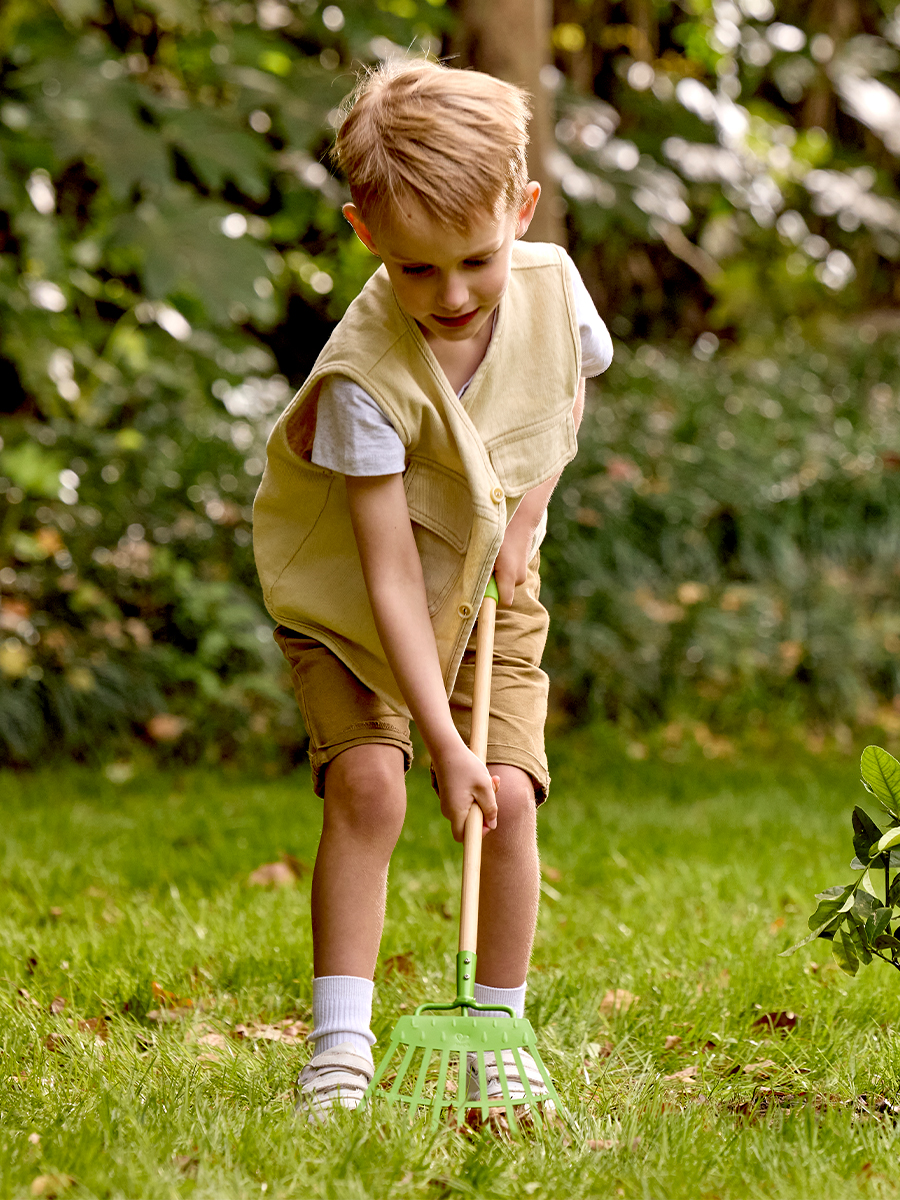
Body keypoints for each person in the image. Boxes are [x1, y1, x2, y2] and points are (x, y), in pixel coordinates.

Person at [252, 58, 612, 1121]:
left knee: (507, 799)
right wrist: (437, 745)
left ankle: (496, 1031)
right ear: (364, 232)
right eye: (417, 271)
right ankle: (339, 1048)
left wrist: (530, 517)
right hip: (361, 605)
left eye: (476, 259)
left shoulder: (551, 288)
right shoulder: (366, 378)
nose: (451, 295)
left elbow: (563, 399)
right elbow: (389, 572)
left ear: (523, 209)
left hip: (492, 572)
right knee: (374, 785)